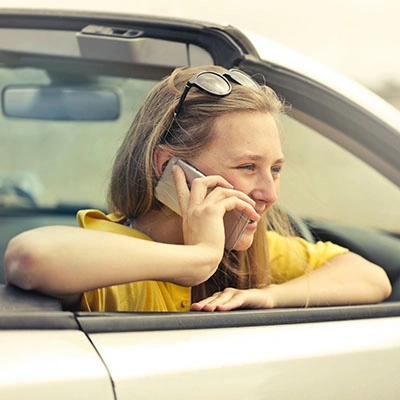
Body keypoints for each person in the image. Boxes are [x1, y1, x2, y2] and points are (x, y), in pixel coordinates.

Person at [4, 65, 391, 312]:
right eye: (247, 166)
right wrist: (199, 258)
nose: (270, 193)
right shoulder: (111, 249)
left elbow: (372, 278)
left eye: (274, 169)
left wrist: (271, 295)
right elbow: (29, 258)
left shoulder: (245, 251)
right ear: (168, 166)